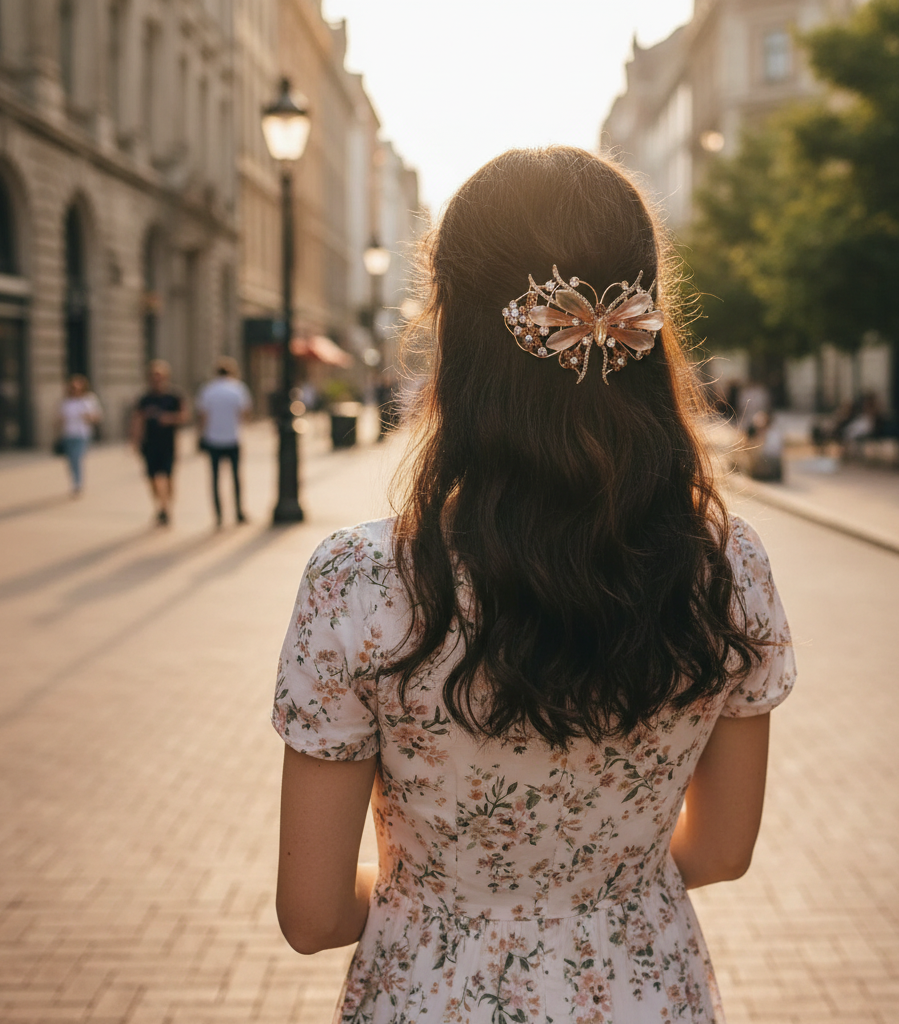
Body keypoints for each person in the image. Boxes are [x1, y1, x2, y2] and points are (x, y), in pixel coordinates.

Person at [272, 148, 796, 1023]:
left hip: (429, 996)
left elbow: (313, 914)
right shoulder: (724, 566)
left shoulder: (359, 582)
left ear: (453, 327)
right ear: (643, 320)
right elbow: (723, 849)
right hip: (646, 991)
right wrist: (591, 893)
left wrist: (442, 909)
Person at [195, 356, 251, 527]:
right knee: (236, 477)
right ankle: (239, 511)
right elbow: (245, 413)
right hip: (232, 438)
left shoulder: (208, 390)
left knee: (215, 479)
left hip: (213, 438)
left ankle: (219, 515)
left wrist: (200, 435)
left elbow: (203, 416)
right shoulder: (238, 388)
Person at [131, 360, 187, 526]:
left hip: (168, 443)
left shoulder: (174, 396)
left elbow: (184, 416)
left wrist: (168, 419)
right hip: (149, 443)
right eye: (154, 377)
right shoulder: (145, 398)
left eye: (160, 377)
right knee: (152, 478)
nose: (157, 380)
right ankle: (160, 505)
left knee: (168, 477)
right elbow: (137, 420)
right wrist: (134, 440)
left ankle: (166, 507)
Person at [56, 374, 102, 495]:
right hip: (68, 434)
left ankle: (78, 483)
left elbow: (97, 416)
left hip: (82, 434)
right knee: (71, 460)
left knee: (77, 458)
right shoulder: (66, 401)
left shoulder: (89, 399)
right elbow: (60, 418)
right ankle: (75, 481)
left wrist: (88, 417)